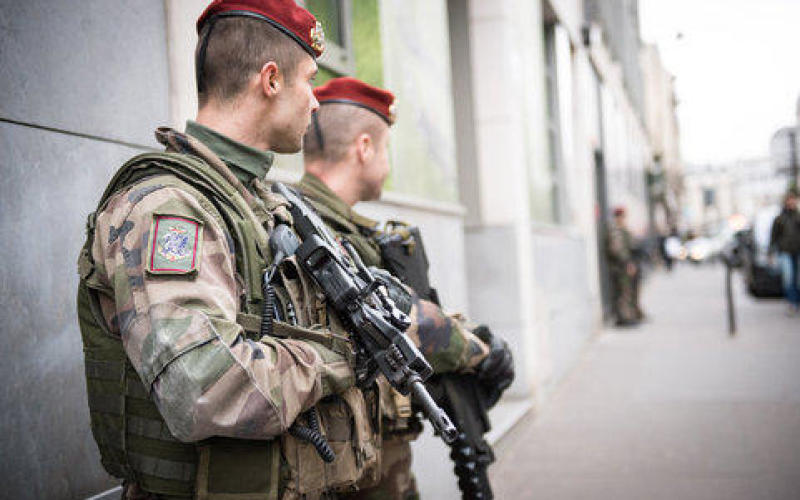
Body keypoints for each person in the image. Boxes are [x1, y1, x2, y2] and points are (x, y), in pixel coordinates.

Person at [76, 2, 386, 498]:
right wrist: (341, 359)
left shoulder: (263, 202)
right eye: (308, 80)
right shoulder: (169, 208)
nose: (314, 102)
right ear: (270, 80)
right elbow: (203, 388)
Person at [299, 77, 515, 499]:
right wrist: (482, 352)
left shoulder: (307, 220)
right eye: (384, 149)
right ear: (364, 148)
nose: (386, 163)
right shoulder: (327, 237)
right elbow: (409, 325)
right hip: (360, 470)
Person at [605, 206, 641, 326]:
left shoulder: (623, 230)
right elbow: (617, 250)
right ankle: (623, 318)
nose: (622, 219)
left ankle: (629, 315)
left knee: (628, 292)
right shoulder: (615, 231)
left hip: (625, 266)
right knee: (622, 293)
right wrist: (627, 263)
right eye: (620, 216)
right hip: (620, 268)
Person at [769, 190, 800, 314]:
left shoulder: (798, 216)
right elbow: (774, 236)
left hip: (798, 251)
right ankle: (792, 303)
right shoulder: (780, 218)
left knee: (797, 279)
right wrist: (771, 253)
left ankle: (796, 302)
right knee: (788, 278)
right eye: (790, 200)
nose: (791, 202)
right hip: (785, 252)